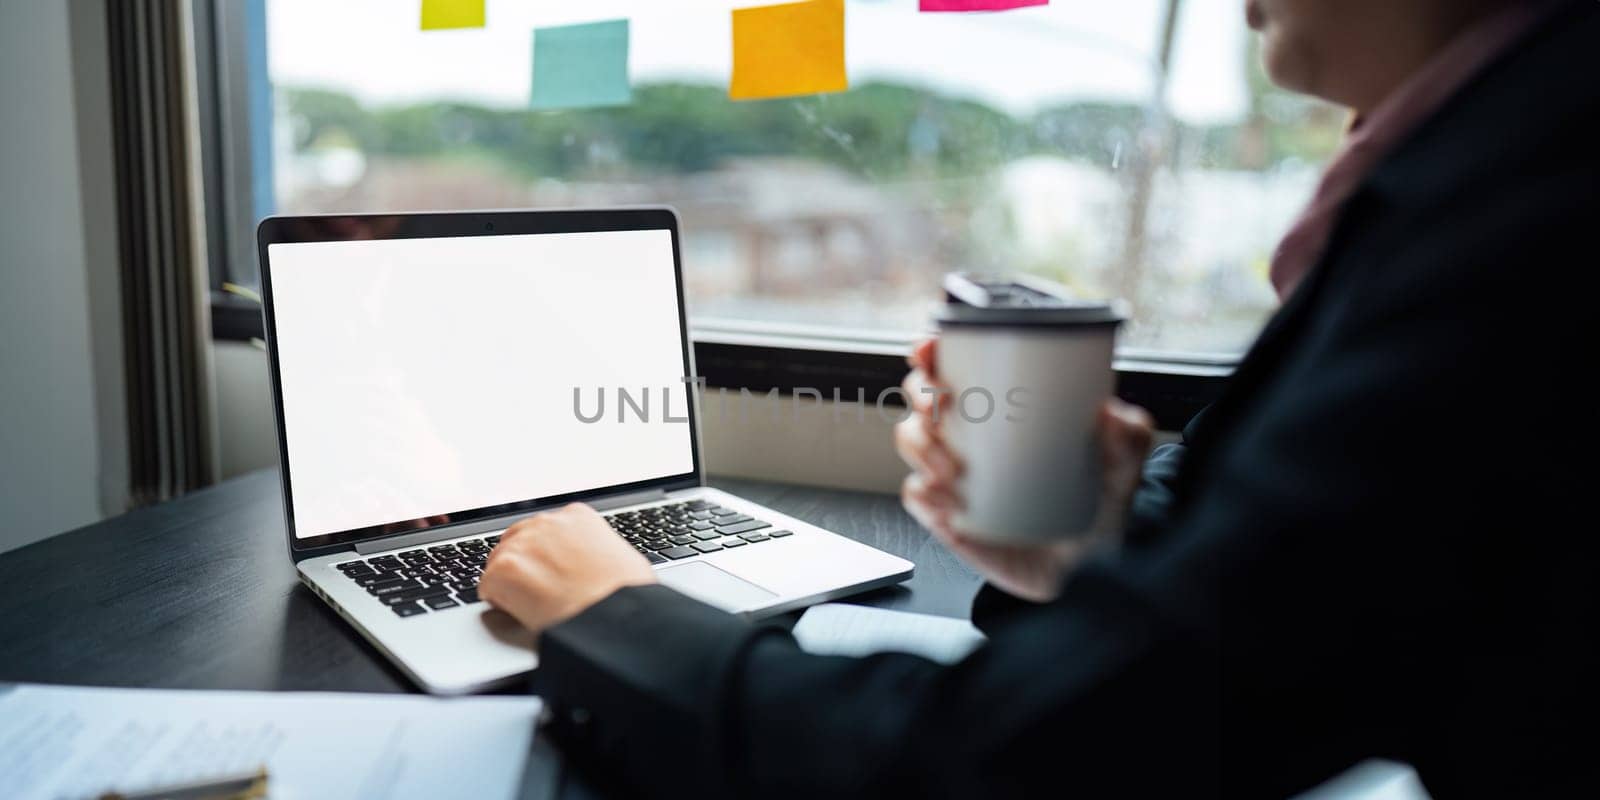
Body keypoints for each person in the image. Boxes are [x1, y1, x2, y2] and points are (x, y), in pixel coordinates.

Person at [478, 0, 1599, 795]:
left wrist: (614, 615)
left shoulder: (1526, 216)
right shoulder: (1483, 165)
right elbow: (1292, 631)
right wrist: (1088, 550)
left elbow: (1037, 759)